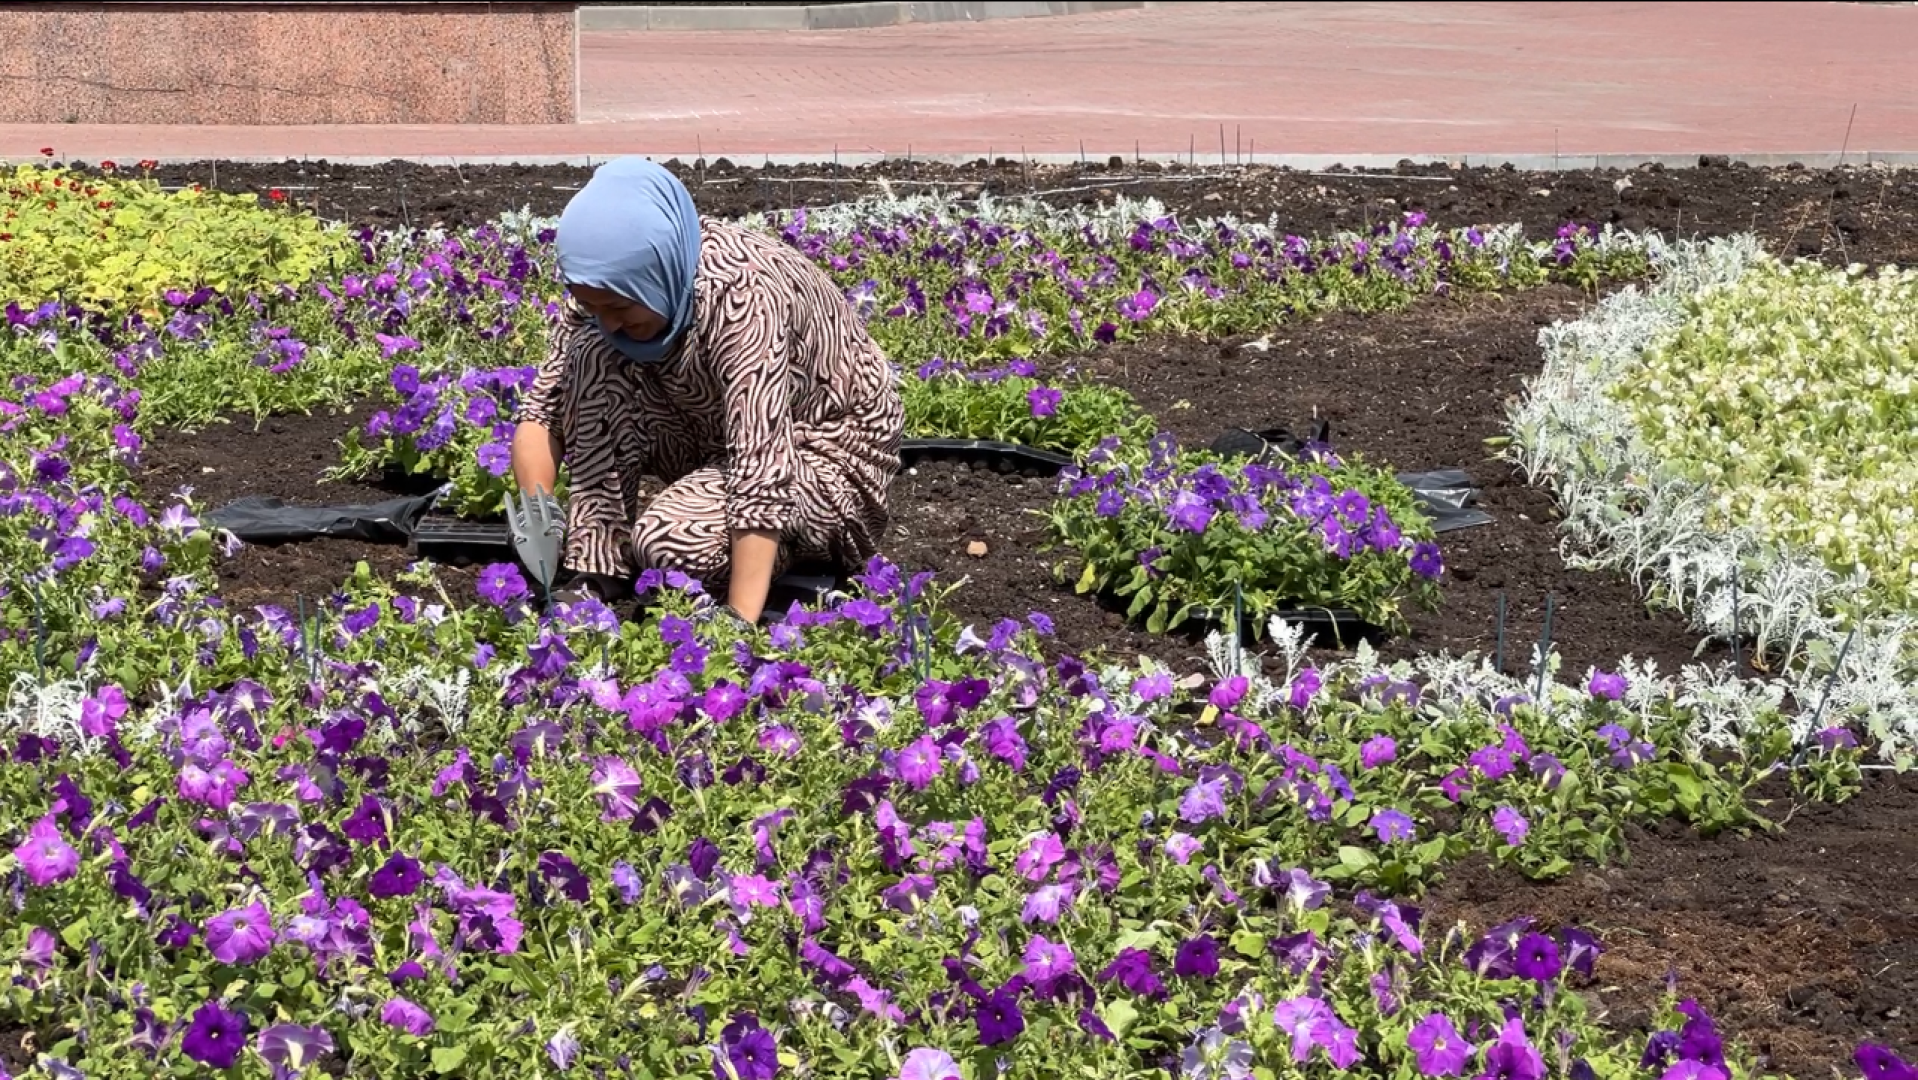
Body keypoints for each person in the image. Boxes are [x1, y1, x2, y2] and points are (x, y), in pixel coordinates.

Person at [509, 157, 903, 623]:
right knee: (592, 352)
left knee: (667, 543)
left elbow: (761, 464)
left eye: (619, 306)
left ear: (654, 272)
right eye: (591, 304)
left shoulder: (742, 294)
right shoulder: (610, 285)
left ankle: (786, 557)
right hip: (711, 438)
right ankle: (601, 565)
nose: (607, 319)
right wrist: (540, 521)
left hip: (819, 455)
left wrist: (738, 623)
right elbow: (544, 411)